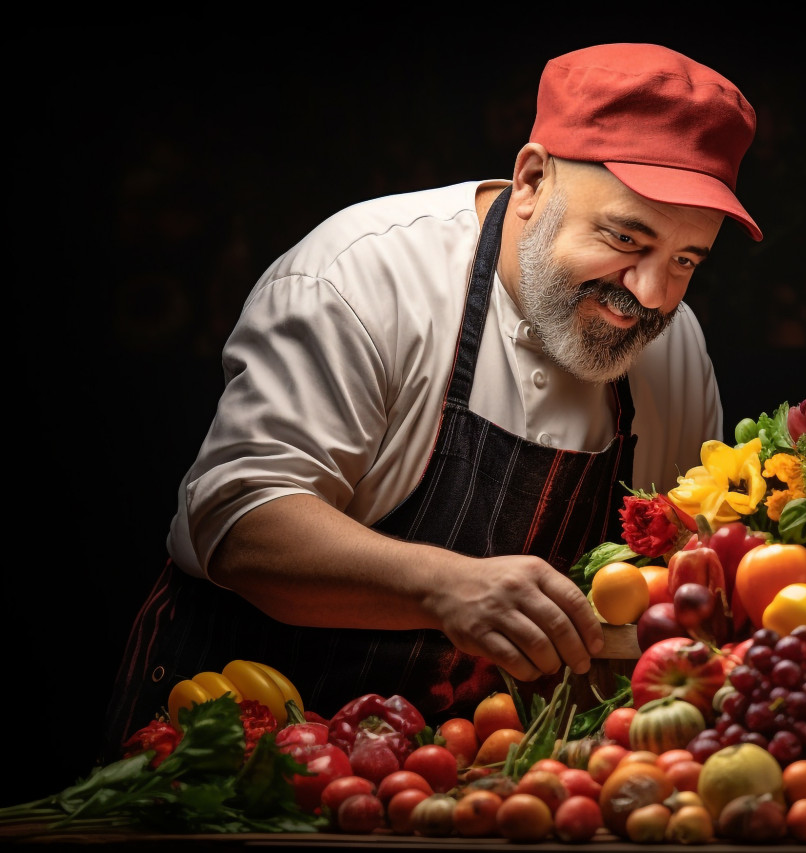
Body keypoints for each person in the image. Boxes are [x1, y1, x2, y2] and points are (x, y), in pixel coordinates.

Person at [101, 42, 762, 756]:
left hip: (475, 779)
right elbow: (239, 522)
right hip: (240, 751)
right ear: (532, 180)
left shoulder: (674, 350)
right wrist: (443, 586)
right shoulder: (362, 276)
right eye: (626, 237)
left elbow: (673, 577)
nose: (652, 295)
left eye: (685, 260)